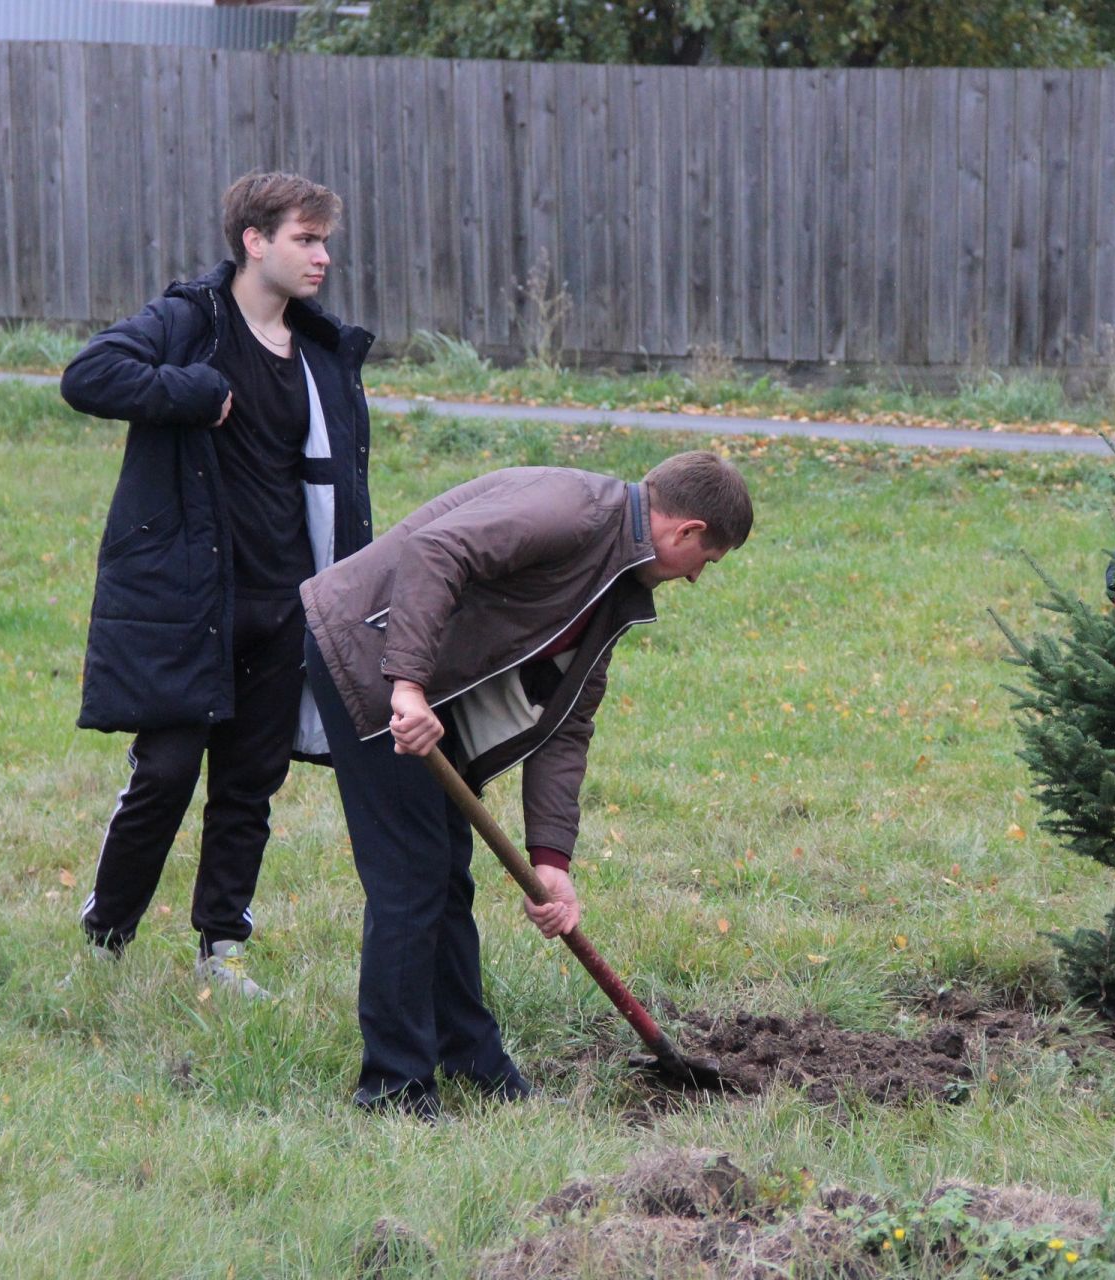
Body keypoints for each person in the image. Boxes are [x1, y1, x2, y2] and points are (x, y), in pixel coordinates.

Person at [300, 451, 753, 1117]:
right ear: (685, 532)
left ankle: (471, 1057)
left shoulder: (615, 584)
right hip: (372, 651)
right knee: (411, 877)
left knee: (445, 873)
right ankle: (395, 1087)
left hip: (426, 678)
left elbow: (566, 727)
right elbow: (434, 553)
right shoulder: (570, 512)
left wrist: (552, 862)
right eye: (706, 562)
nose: (696, 579)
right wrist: (407, 686)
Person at [59, 172, 375, 997]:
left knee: (249, 784)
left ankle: (222, 949)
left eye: (324, 240)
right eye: (306, 239)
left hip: (286, 604)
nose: (323, 257)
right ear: (254, 241)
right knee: (164, 773)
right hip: (192, 604)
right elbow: (88, 376)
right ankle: (105, 938)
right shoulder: (190, 325)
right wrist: (191, 393)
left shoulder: (320, 354)